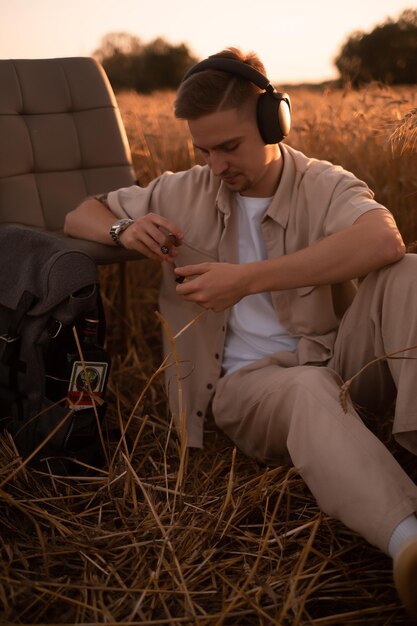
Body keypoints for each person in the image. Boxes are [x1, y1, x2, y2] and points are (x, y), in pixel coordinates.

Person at [64, 47, 417, 619]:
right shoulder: (183, 189)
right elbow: (78, 213)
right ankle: (408, 542)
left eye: (229, 147)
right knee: (306, 389)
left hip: (338, 362)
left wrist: (247, 280)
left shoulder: (322, 182)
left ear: (273, 123)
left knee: (409, 275)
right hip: (246, 390)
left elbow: (383, 242)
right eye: (202, 150)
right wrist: (123, 227)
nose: (216, 165)